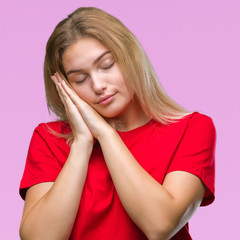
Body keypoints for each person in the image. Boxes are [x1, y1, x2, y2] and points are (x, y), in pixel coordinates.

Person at [19, 7, 216, 240]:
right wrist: (82, 143)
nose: (98, 85)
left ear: (129, 56)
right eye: (80, 79)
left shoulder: (192, 128)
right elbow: (39, 238)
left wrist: (106, 135)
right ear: (65, 87)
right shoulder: (49, 138)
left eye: (106, 65)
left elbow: (160, 225)